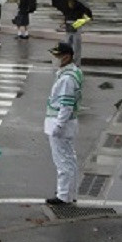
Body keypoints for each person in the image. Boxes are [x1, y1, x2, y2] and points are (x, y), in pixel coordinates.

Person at [44, 42, 84, 205]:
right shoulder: (74, 72)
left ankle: (63, 195)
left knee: (62, 161)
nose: (54, 59)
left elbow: (66, 104)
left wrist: (58, 126)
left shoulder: (67, 78)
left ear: (66, 57)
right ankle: (69, 192)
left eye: (57, 56)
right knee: (69, 159)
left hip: (61, 124)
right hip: (68, 123)